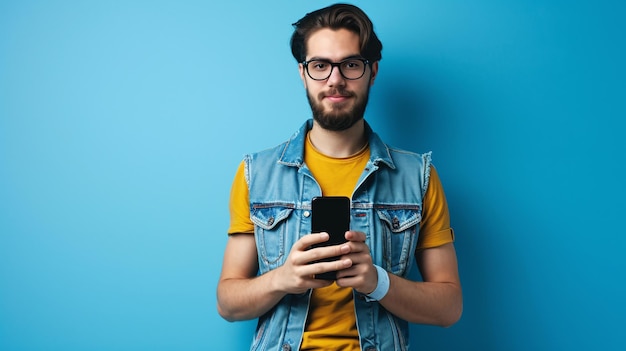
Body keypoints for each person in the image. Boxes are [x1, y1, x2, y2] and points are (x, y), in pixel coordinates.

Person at [217, 3, 462, 350]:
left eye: (350, 64)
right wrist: (282, 279)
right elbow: (227, 302)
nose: (335, 79)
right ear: (302, 73)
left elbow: (449, 307)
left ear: (372, 71)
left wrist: (378, 282)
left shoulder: (418, 177)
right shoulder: (257, 174)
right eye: (320, 65)